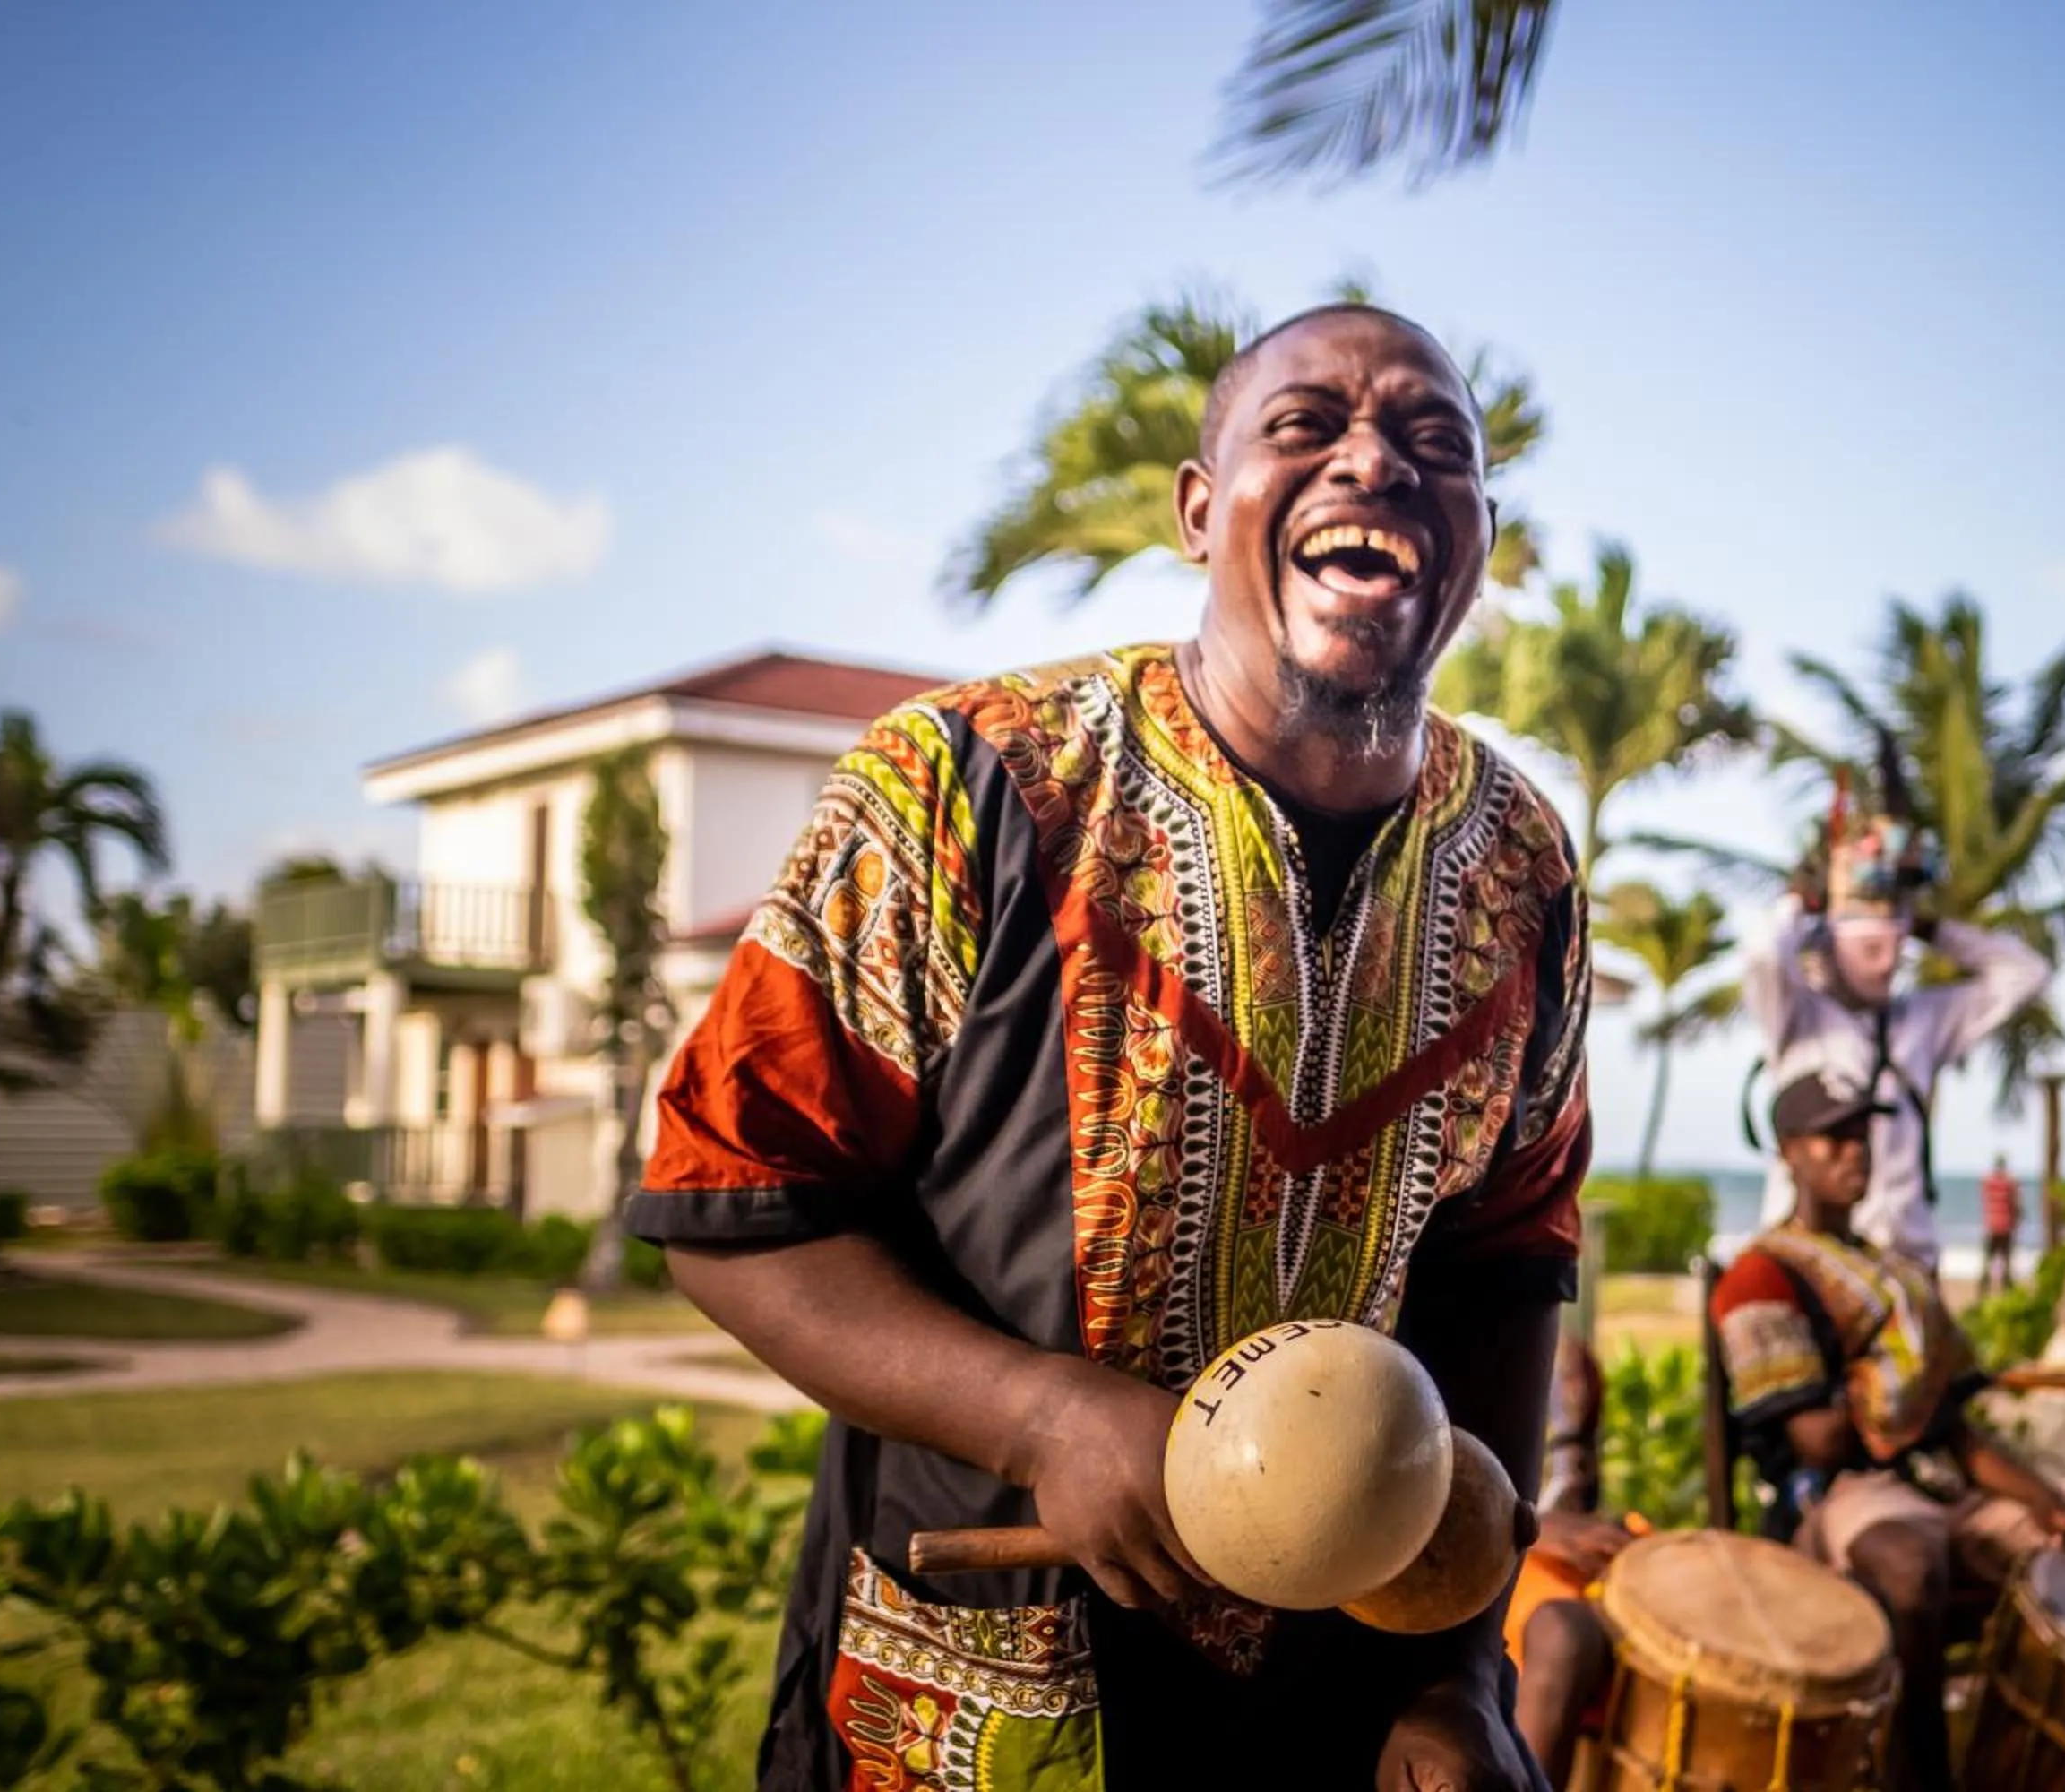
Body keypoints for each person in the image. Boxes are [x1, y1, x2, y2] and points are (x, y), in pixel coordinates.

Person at [627, 305, 1593, 1792]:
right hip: (974, 1707)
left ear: (1474, 532)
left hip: (1336, 1724)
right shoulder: (962, 784)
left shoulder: (1524, 866)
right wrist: (1040, 1409)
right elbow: (731, 1201)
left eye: (1434, 444)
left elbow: (1501, 1269)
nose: (1376, 463)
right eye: (1306, 425)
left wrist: (1456, 1670)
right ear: (1202, 512)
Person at [1711, 1072, 2065, 1792]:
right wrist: (1894, 1391)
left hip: (1950, 1487)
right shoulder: (1761, 1276)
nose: (1854, 1153)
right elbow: (1817, 1441)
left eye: (1861, 1137)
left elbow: (1958, 1432)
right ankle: (1924, 1778)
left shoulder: (1898, 1275)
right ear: (1790, 1152)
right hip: (1844, 1498)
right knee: (1912, 1570)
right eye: (1832, 1139)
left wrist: (2048, 1502)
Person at [1738, 777, 2050, 1277]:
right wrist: (1802, 900)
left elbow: (2026, 973)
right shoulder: (1798, 1015)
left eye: (1896, 947)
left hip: (1906, 1256)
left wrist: (1930, 927)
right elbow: (1763, 954)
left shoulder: (1924, 1021)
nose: (1886, 965)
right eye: (1870, 947)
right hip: (1813, 1257)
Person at [1503, 1333, 1648, 1788]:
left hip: (1575, 1541)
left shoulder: (1570, 1354)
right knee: (1564, 1633)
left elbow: (1579, 1481)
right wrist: (1533, 1527)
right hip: (1498, 1550)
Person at [1980, 1152, 2023, 1295]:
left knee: (1987, 1264)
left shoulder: (1987, 1182)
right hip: (2005, 1228)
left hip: (1991, 1227)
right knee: (2007, 1265)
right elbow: (2016, 1205)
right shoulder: (2010, 1183)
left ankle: (1983, 1294)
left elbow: (1985, 1202)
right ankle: (2007, 1295)